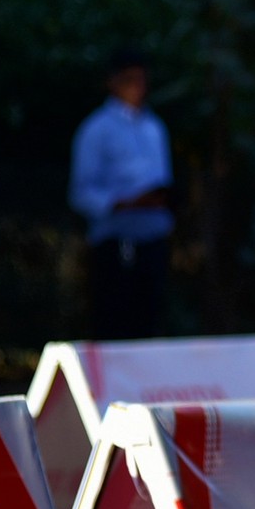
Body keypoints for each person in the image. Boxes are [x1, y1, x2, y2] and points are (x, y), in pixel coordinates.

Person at [69, 48, 174, 339]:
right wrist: (121, 204)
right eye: (129, 79)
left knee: (150, 326)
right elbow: (81, 193)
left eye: (142, 79)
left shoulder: (154, 128)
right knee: (115, 327)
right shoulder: (96, 130)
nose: (137, 86)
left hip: (154, 242)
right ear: (112, 82)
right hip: (115, 246)